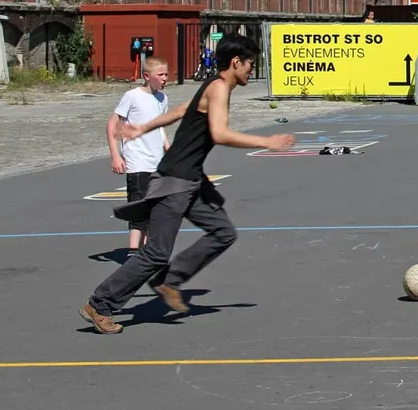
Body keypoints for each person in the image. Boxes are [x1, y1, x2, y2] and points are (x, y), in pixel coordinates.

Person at [79, 34, 295, 334]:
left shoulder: (213, 86)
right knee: (156, 253)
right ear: (236, 62)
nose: (250, 69)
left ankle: (170, 280)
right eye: (249, 64)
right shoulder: (218, 88)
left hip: (192, 178)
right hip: (175, 180)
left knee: (222, 232)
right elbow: (219, 133)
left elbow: (181, 111)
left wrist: (143, 126)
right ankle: (100, 304)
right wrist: (266, 141)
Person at [105, 57, 172, 253]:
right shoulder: (132, 96)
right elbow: (111, 125)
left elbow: (158, 127)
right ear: (146, 76)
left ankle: (148, 252)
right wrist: (115, 156)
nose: (165, 78)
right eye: (160, 75)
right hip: (137, 162)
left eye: (166, 74)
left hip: (156, 163)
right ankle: (133, 252)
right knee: (138, 210)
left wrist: (168, 147)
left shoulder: (162, 99)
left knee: (156, 210)